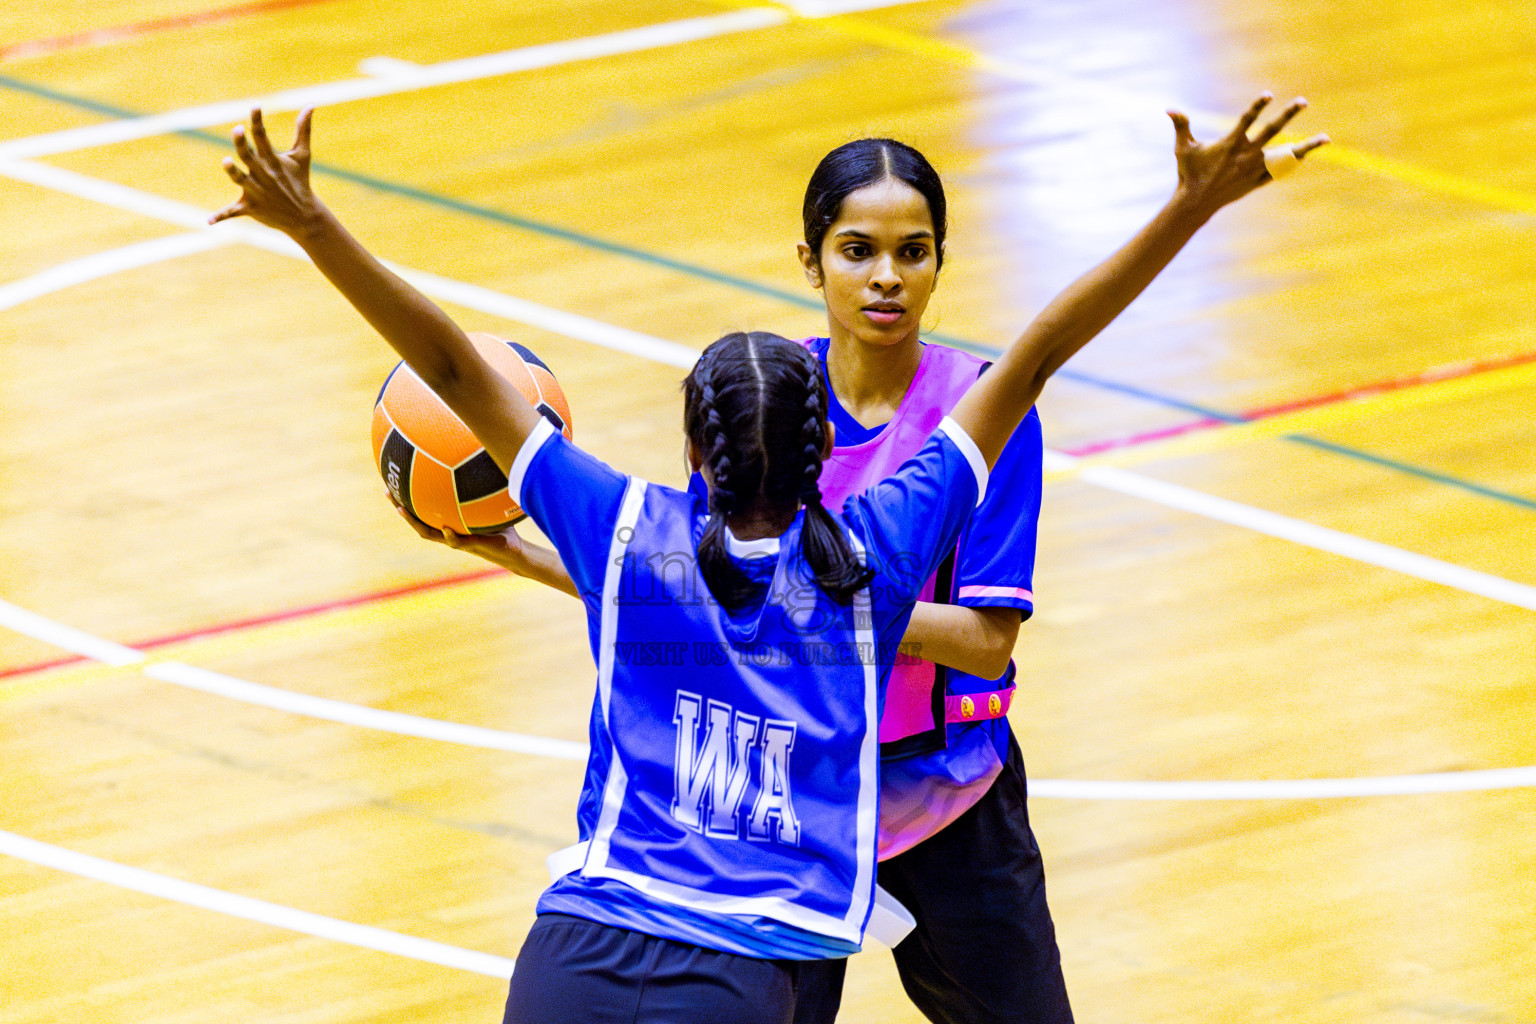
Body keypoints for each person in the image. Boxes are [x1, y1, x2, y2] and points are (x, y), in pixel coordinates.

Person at [397, 99, 1326, 1022]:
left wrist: (819, 609)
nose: (887, 278)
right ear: (811, 262)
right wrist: (532, 557)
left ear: (938, 263)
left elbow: (986, 642)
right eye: (858, 251)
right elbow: (689, 580)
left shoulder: (981, 410)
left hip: (944, 802)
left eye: (912, 252)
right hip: (786, 805)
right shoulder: (770, 395)